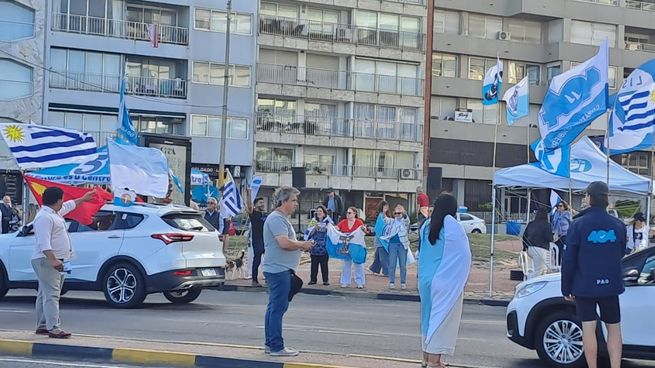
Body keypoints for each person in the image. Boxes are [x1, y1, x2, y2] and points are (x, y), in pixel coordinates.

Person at [562, 181, 626, 368]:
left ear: (590, 198)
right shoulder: (618, 225)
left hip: (584, 285)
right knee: (614, 328)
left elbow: (568, 260)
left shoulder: (578, 224)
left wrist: (566, 287)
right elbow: (621, 252)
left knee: (588, 328)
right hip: (611, 285)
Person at [32, 187, 95, 339]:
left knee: (45, 293)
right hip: (47, 260)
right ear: (58, 200)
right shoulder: (44, 217)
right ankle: (54, 327)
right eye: (62, 199)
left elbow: (69, 206)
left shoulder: (53, 213)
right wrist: (53, 260)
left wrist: (83, 199)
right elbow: (43, 242)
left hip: (54, 259)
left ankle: (42, 325)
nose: (63, 202)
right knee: (52, 294)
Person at [418, 193, 471, 368]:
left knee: (428, 318)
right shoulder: (451, 225)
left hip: (425, 279)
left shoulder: (426, 225)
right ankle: (435, 361)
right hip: (442, 280)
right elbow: (463, 254)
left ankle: (426, 358)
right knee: (441, 319)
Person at [263, 186, 314, 357]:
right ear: (283, 201)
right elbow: (284, 243)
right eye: (293, 200)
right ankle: (276, 347)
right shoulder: (277, 219)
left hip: (280, 269)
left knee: (273, 308)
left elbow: (287, 242)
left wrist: (300, 245)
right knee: (278, 308)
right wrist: (302, 245)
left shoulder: (280, 218)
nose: (296, 204)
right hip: (279, 270)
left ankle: (271, 344)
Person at [336, 206, 367, 288]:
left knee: (358, 263)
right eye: (347, 213)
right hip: (346, 246)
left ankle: (360, 282)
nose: (347, 214)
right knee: (346, 263)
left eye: (349, 213)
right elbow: (337, 229)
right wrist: (332, 228)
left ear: (354, 214)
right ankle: (345, 282)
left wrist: (363, 229)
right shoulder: (343, 222)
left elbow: (364, 231)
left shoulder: (359, 222)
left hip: (356, 246)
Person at [522, 209, 553, 279]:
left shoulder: (531, 223)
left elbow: (524, 236)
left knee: (542, 269)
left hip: (530, 249)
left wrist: (525, 248)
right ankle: (530, 283)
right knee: (539, 271)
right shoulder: (547, 225)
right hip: (540, 249)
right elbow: (549, 238)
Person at [306, 205, 333, 286]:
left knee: (324, 264)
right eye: (317, 211)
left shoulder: (328, 221)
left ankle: (325, 280)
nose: (318, 213)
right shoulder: (313, 221)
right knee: (314, 264)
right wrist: (314, 229)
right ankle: (313, 279)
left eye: (320, 211)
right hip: (315, 246)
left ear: (324, 213)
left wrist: (327, 229)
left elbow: (333, 232)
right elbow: (308, 233)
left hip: (324, 246)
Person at [385, 204, 410, 289]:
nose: (397, 215)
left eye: (399, 213)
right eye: (396, 213)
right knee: (392, 264)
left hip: (402, 245)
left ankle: (403, 282)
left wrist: (404, 213)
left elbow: (406, 220)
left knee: (403, 264)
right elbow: (385, 220)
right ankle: (391, 282)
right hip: (392, 244)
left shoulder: (405, 221)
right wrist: (384, 211)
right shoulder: (392, 221)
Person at [246, 189, 267, 287]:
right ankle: (254, 280)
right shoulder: (253, 213)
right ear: (256, 204)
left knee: (269, 260)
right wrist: (249, 194)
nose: (263, 204)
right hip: (257, 240)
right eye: (261, 202)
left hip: (266, 240)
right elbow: (249, 207)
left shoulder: (264, 215)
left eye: (263, 202)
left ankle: (268, 279)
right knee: (257, 259)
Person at [368, 200, 391, 277]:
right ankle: (375, 269)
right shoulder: (381, 216)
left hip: (382, 240)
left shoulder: (384, 216)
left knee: (382, 256)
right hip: (380, 239)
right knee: (378, 255)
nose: (386, 209)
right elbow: (379, 228)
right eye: (384, 208)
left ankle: (386, 271)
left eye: (387, 208)